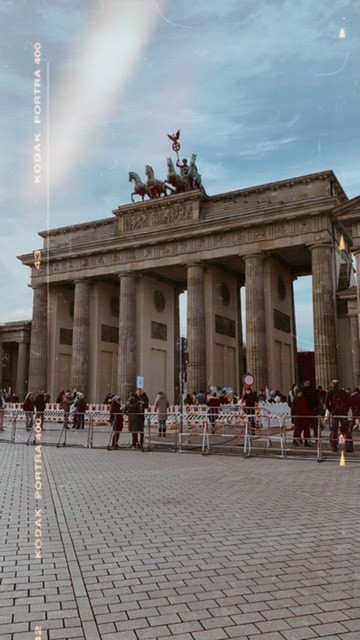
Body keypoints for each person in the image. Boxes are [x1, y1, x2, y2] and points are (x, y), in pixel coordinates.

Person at [325, 380, 352, 453]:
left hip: (335, 413)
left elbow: (327, 404)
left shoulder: (330, 392)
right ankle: (348, 446)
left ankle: (334, 447)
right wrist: (345, 411)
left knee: (334, 430)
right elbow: (348, 403)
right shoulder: (343, 392)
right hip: (342, 413)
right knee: (345, 430)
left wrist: (331, 411)